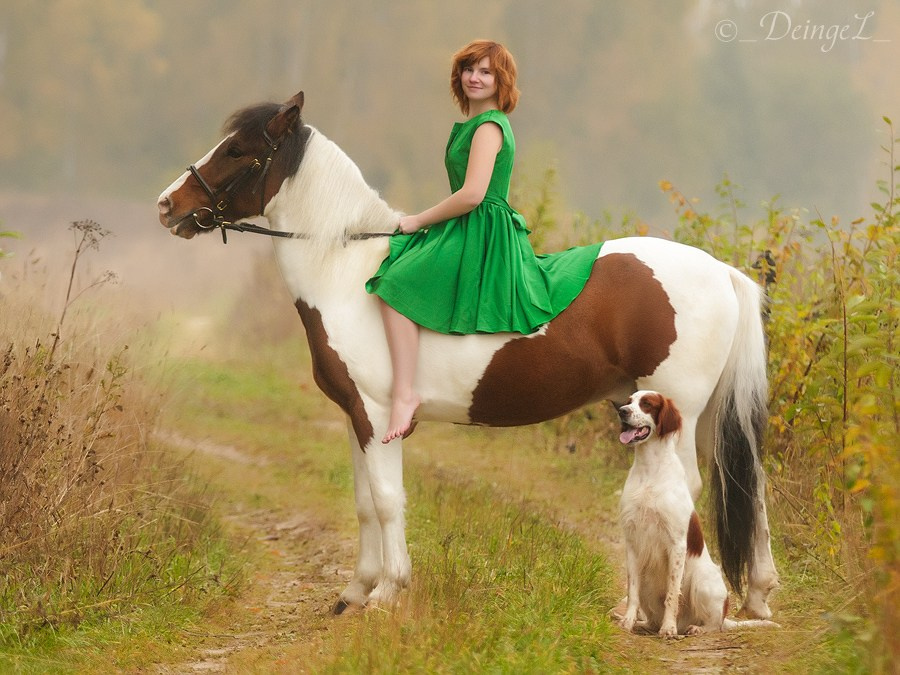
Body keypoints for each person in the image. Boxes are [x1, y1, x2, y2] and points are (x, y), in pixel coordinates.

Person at [366, 40, 602, 444]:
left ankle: (406, 394)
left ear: (501, 81)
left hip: (481, 228)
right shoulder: (473, 125)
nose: (475, 77)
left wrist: (418, 220)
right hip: (467, 224)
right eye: (469, 68)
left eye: (486, 72)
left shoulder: (489, 127)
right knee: (398, 263)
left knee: (394, 285)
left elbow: (473, 194)